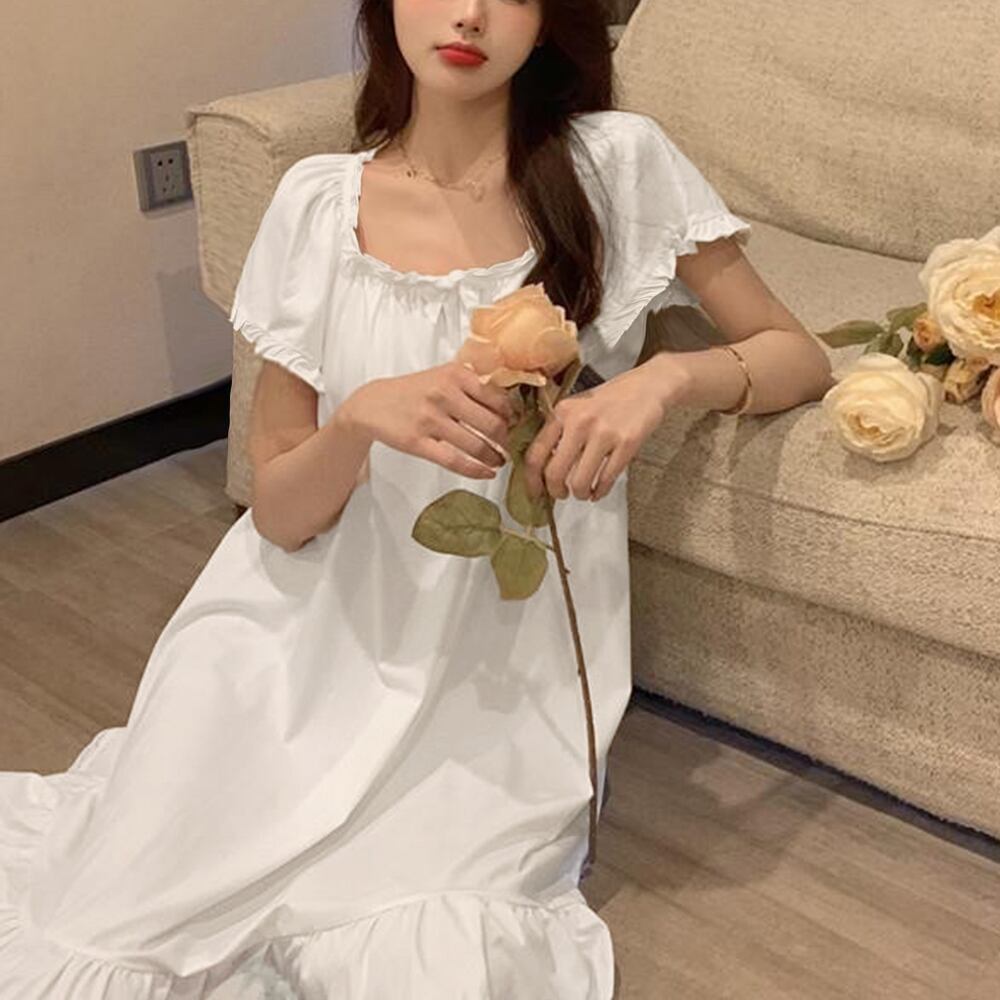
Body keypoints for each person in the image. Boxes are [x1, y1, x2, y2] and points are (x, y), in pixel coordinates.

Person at [0, 1, 833, 997]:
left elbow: (796, 355)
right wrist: (357, 420)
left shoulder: (616, 164)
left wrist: (658, 383)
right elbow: (279, 512)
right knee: (124, 910)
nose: (469, 13)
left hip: (494, 677)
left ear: (549, 20)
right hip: (302, 636)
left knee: (431, 950)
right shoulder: (317, 204)